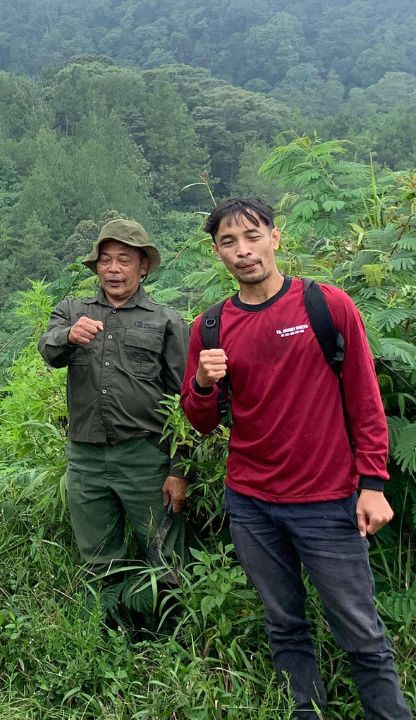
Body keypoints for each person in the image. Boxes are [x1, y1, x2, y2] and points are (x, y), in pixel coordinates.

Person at [181, 197, 410, 719]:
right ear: (216, 252)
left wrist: (372, 483)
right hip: (251, 503)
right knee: (283, 624)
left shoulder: (326, 305)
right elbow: (202, 420)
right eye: (228, 242)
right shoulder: (210, 328)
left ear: (275, 237)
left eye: (252, 236)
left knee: (360, 630)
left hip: (327, 501)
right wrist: (201, 382)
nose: (243, 251)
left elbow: (365, 398)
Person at [37, 218, 188, 629]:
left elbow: (185, 403)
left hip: (145, 456)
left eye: (125, 260)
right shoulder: (73, 311)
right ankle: (113, 635)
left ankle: (170, 634)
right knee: (100, 553)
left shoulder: (166, 321)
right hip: (85, 456)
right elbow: (47, 350)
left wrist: (179, 470)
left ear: (143, 267)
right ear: (96, 268)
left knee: (161, 550)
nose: (114, 269)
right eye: (106, 261)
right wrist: (69, 336)